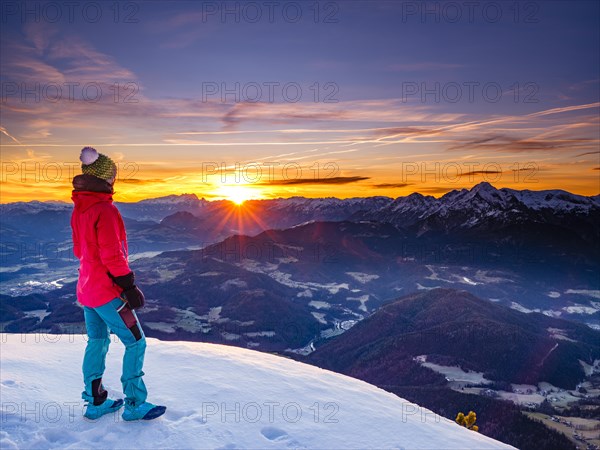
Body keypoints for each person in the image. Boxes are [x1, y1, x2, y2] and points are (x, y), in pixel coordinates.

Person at [71, 147, 166, 421]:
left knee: (98, 341)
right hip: (108, 292)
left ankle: (95, 401)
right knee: (136, 343)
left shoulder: (80, 208)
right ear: (106, 179)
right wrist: (129, 287)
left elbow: (80, 251)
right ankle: (135, 403)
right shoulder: (106, 210)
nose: (115, 180)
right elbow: (112, 255)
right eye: (113, 175)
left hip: (87, 290)